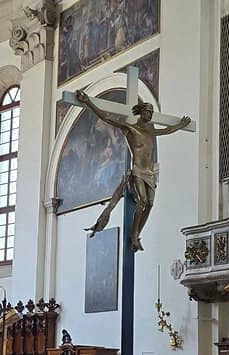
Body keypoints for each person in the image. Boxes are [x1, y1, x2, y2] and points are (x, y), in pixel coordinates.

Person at [74, 91, 190, 251]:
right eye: (148, 111)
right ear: (141, 112)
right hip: (138, 171)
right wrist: (88, 101)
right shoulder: (131, 129)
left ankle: (137, 234)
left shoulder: (150, 132)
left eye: (152, 112)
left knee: (150, 204)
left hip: (150, 173)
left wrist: (180, 125)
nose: (150, 114)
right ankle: (134, 237)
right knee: (142, 202)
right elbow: (107, 118)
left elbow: (166, 130)